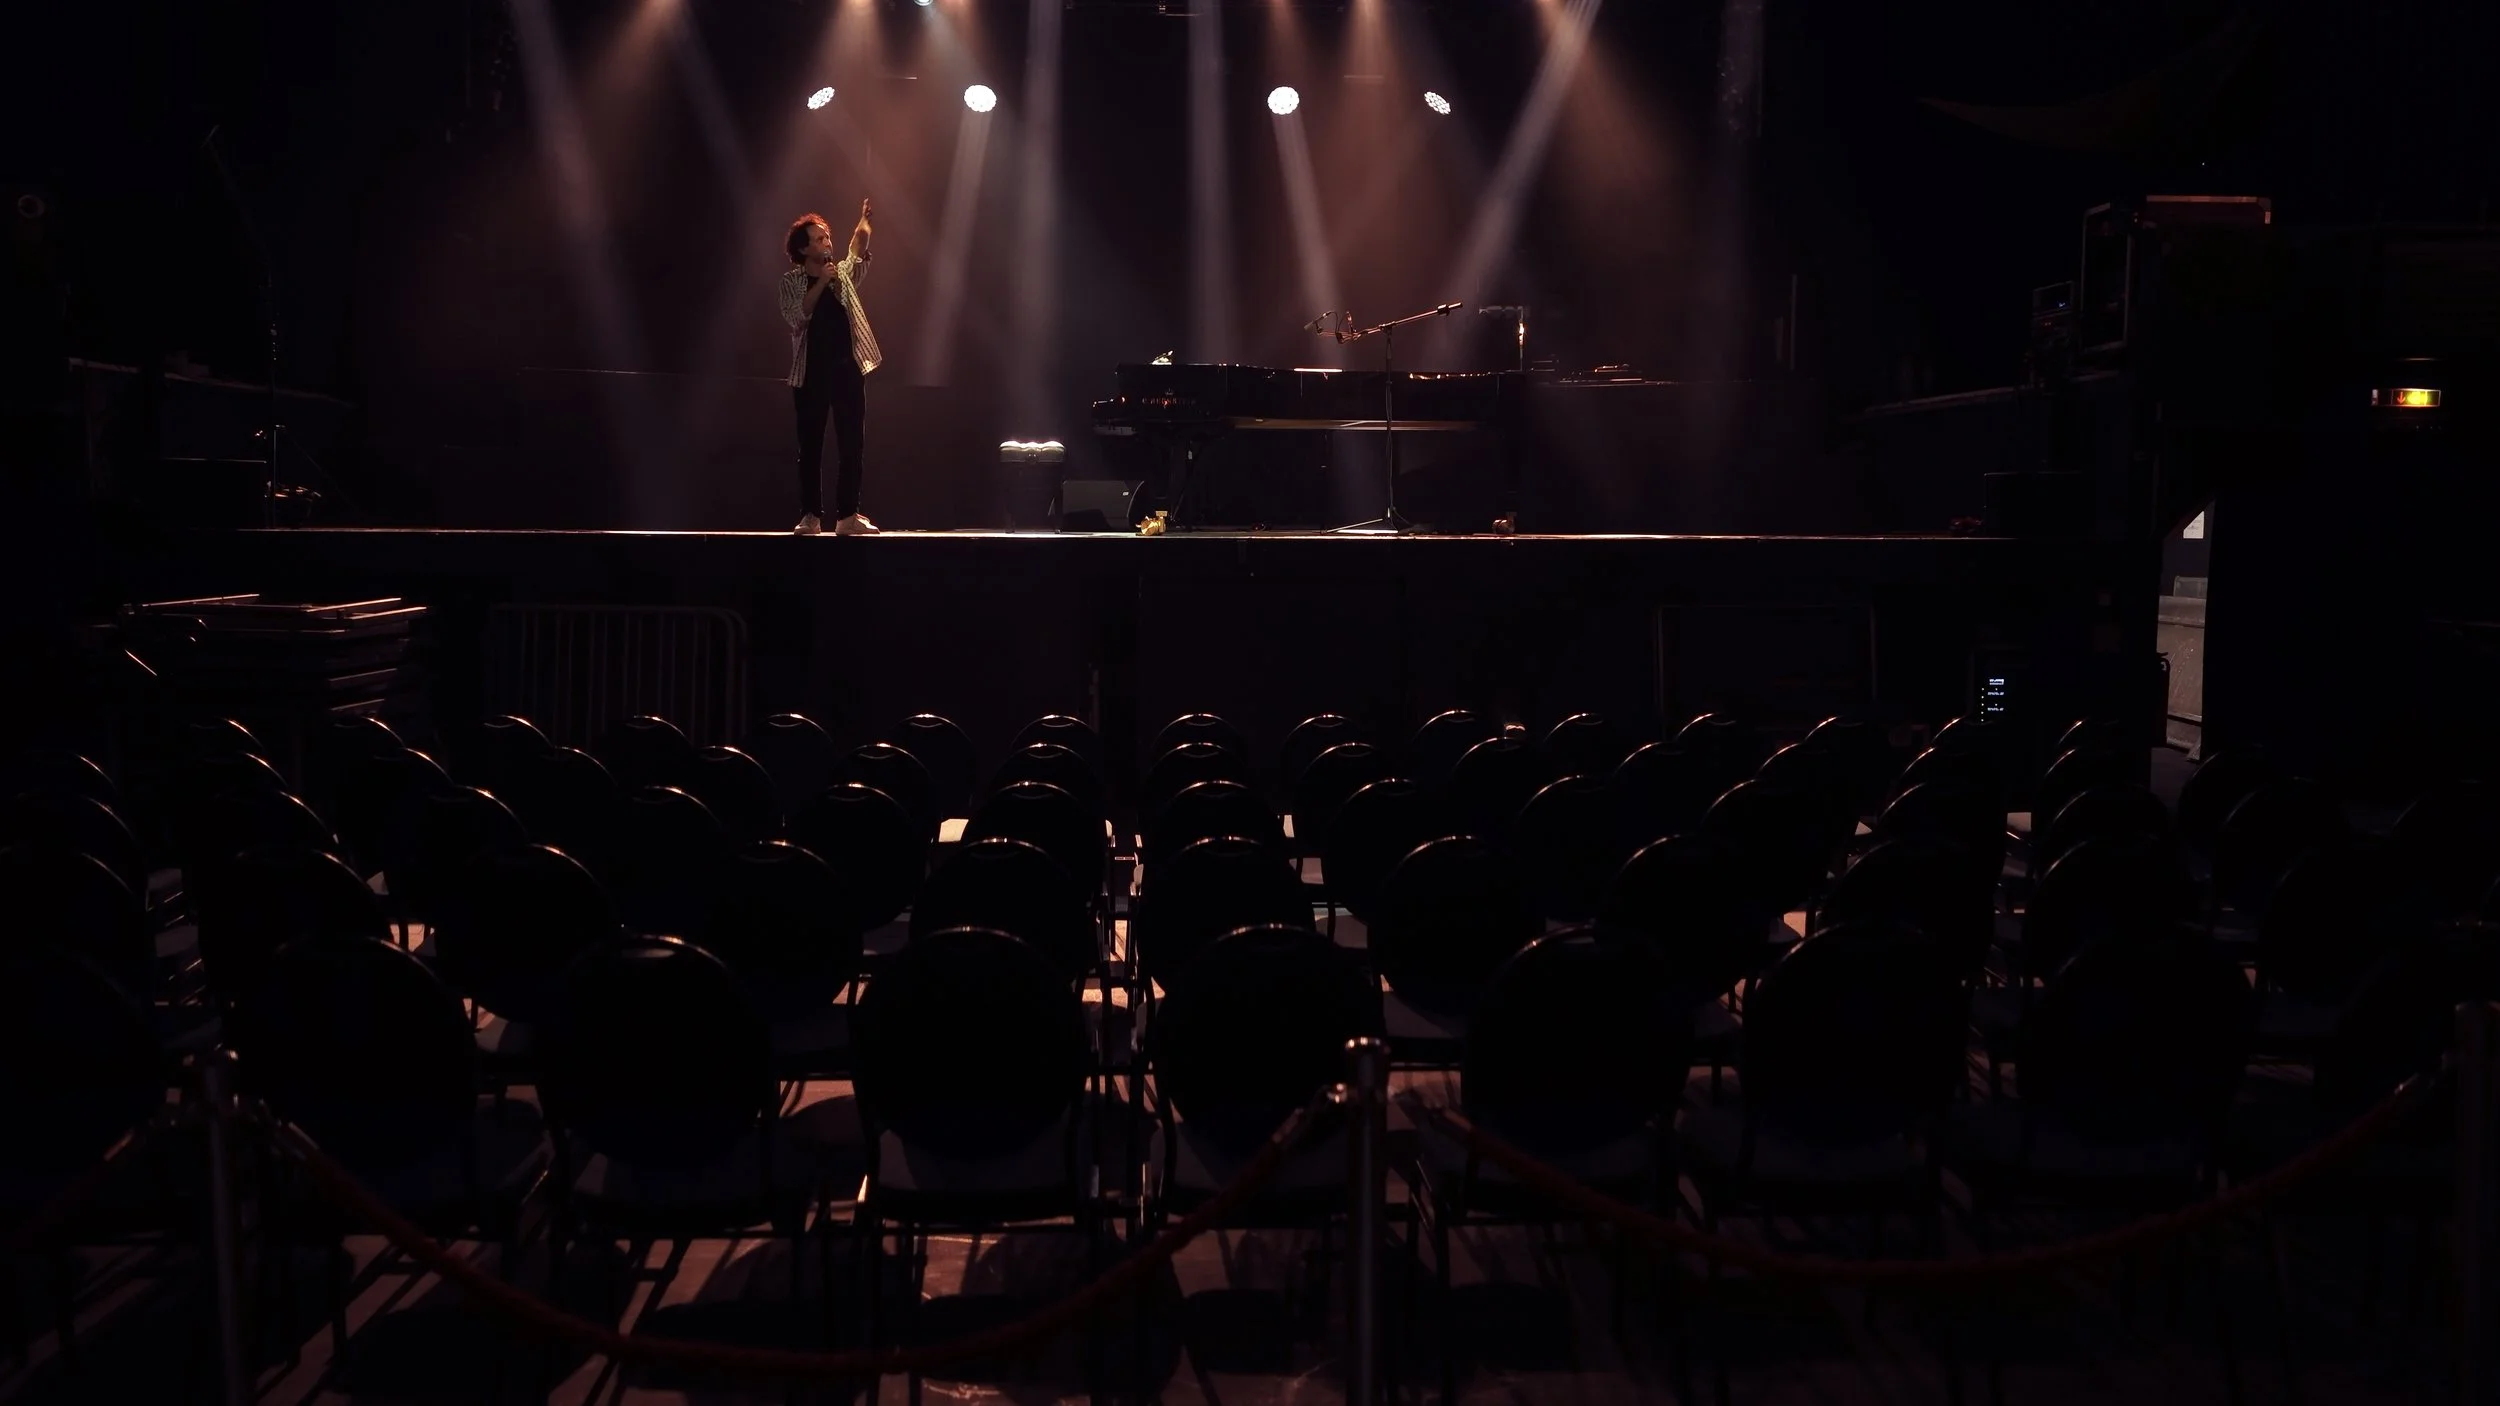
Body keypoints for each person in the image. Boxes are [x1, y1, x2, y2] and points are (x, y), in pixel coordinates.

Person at [778, 199, 884, 535]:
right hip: (810, 373)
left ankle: (848, 516)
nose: (827, 242)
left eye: (827, 236)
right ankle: (810, 515)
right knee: (810, 446)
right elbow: (797, 316)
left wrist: (865, 220)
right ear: (803, 249)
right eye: (819, 238)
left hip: (847, 370)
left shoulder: (842, 275)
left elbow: (857, 247)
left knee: (852, 444)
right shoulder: (791, 282)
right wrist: (822, 281)